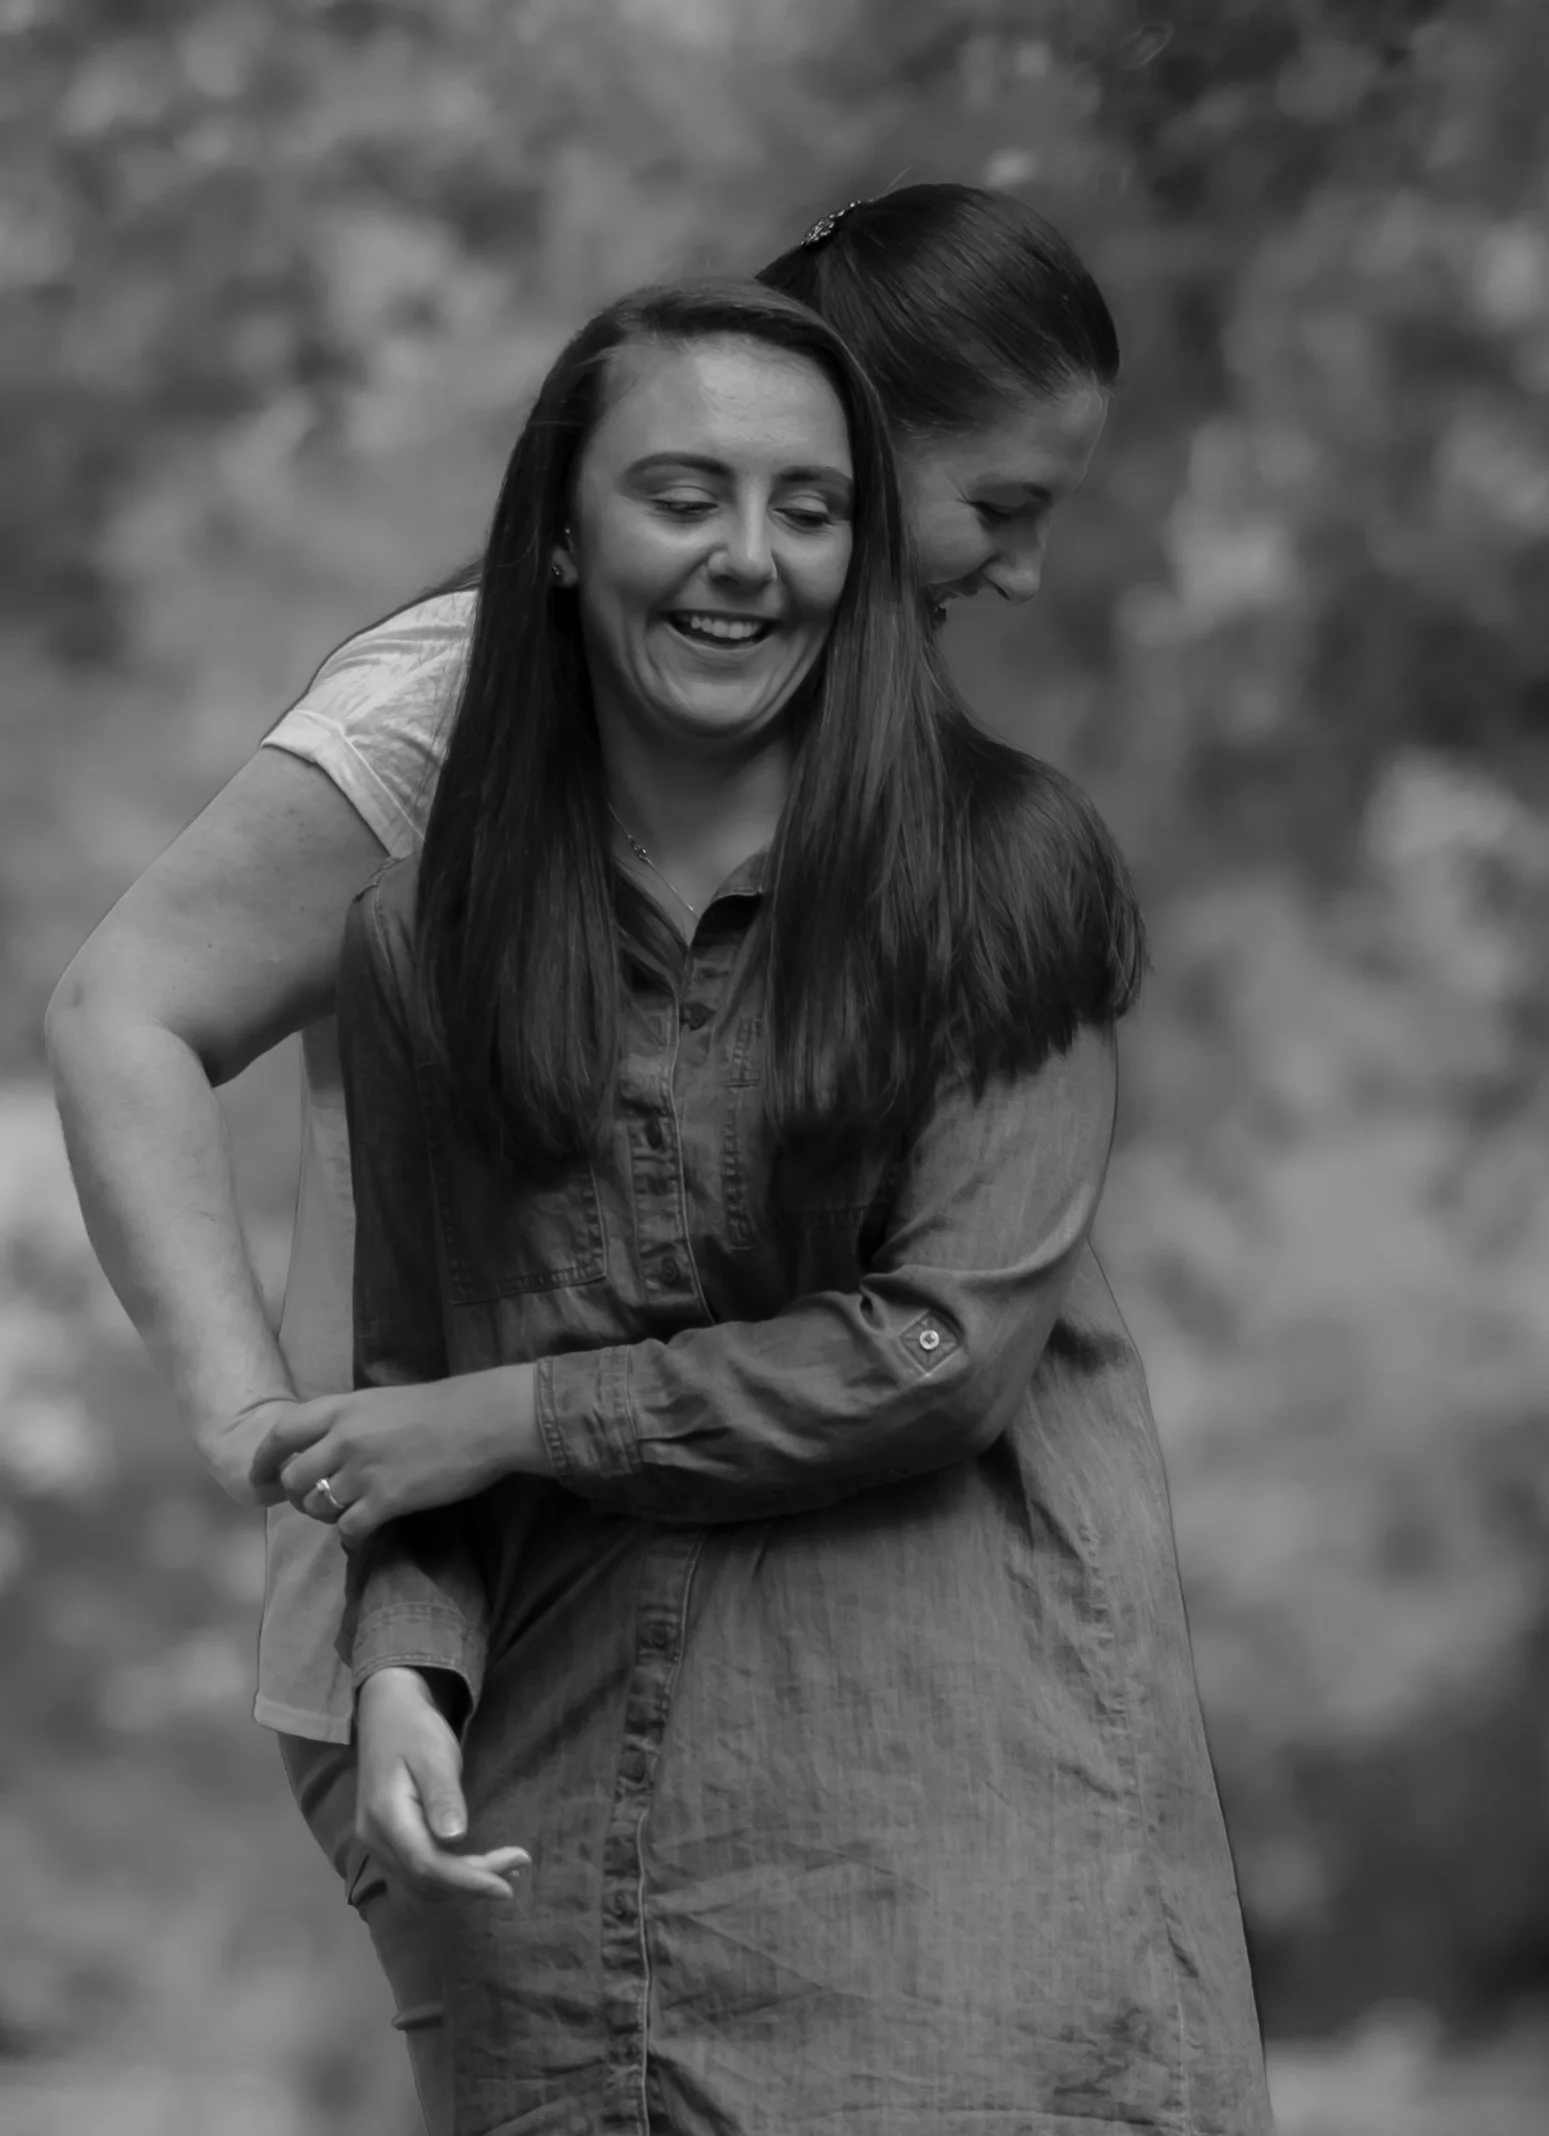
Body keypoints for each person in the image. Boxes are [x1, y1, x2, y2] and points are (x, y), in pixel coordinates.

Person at [43, 185, 1134, 2131]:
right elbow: (125, 1010)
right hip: (472, 1619)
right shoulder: (469, 699)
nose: (1012, 570)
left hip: (700, 1609)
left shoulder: (870, 776)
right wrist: (253, 1427)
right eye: (1001, 505)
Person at [278, 273, 1271, 2131]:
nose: (749, 560)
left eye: (808, 511)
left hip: (945, 1857)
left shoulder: (997, 871)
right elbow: (413, 1371)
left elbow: (941, 1351)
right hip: (566, 1866)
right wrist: (408, 1672)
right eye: (682, 498)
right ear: (563, 538)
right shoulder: (423, 946)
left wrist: (517, 1416)